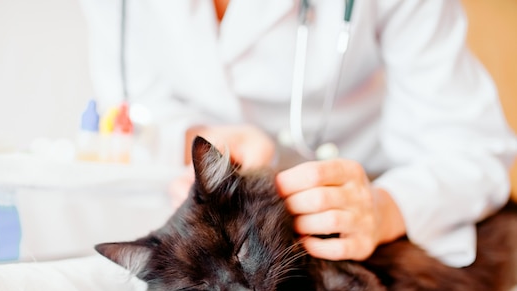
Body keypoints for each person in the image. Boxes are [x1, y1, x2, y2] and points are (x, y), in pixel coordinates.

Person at [80, 0, 517, 267]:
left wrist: (383, 209)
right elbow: (130, 115)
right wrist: (203, 140)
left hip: (349, 223)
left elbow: (474, 148)